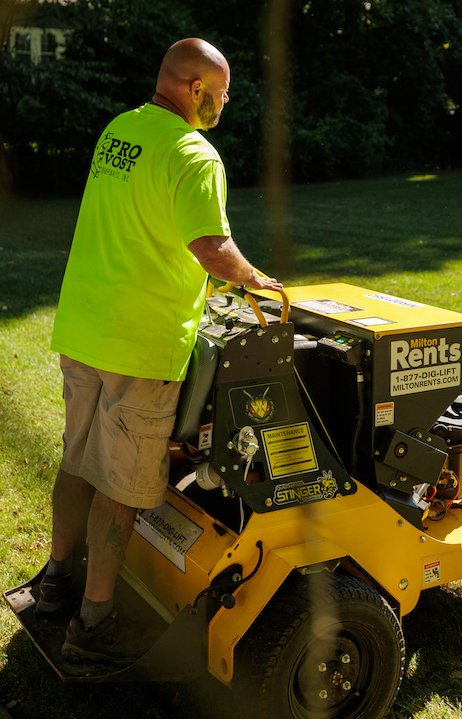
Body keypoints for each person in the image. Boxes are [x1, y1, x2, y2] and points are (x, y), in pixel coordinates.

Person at [38, 37, 283, 665]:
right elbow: (210, 247)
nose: (225, 104)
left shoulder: (120, 130)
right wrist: (259, 281)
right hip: (138, 346)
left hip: (84, 329)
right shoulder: (193, 153)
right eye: (222, 93)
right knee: (119, 487)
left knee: (75, 464)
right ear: (196, 88)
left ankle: (55, 583)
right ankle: (92, 626)